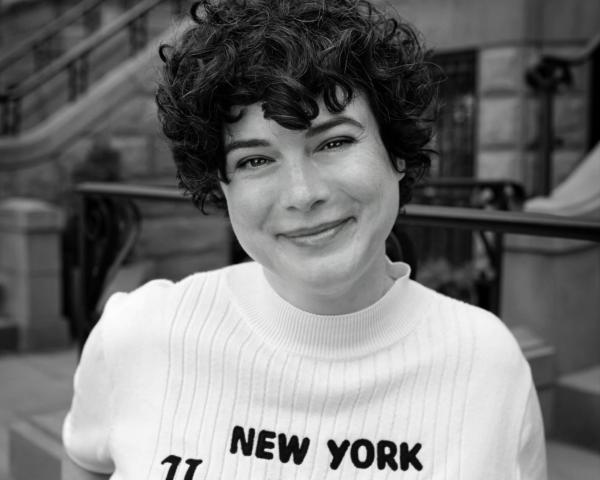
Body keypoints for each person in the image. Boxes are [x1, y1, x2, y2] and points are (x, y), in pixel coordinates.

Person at [62, 0, 547, 478]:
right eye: (254, 160)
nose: (303, 194)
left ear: (396, 152)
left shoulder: (486, 366)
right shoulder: (139, 334)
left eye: (334, 142)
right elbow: (84, 460)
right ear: (221, 185)